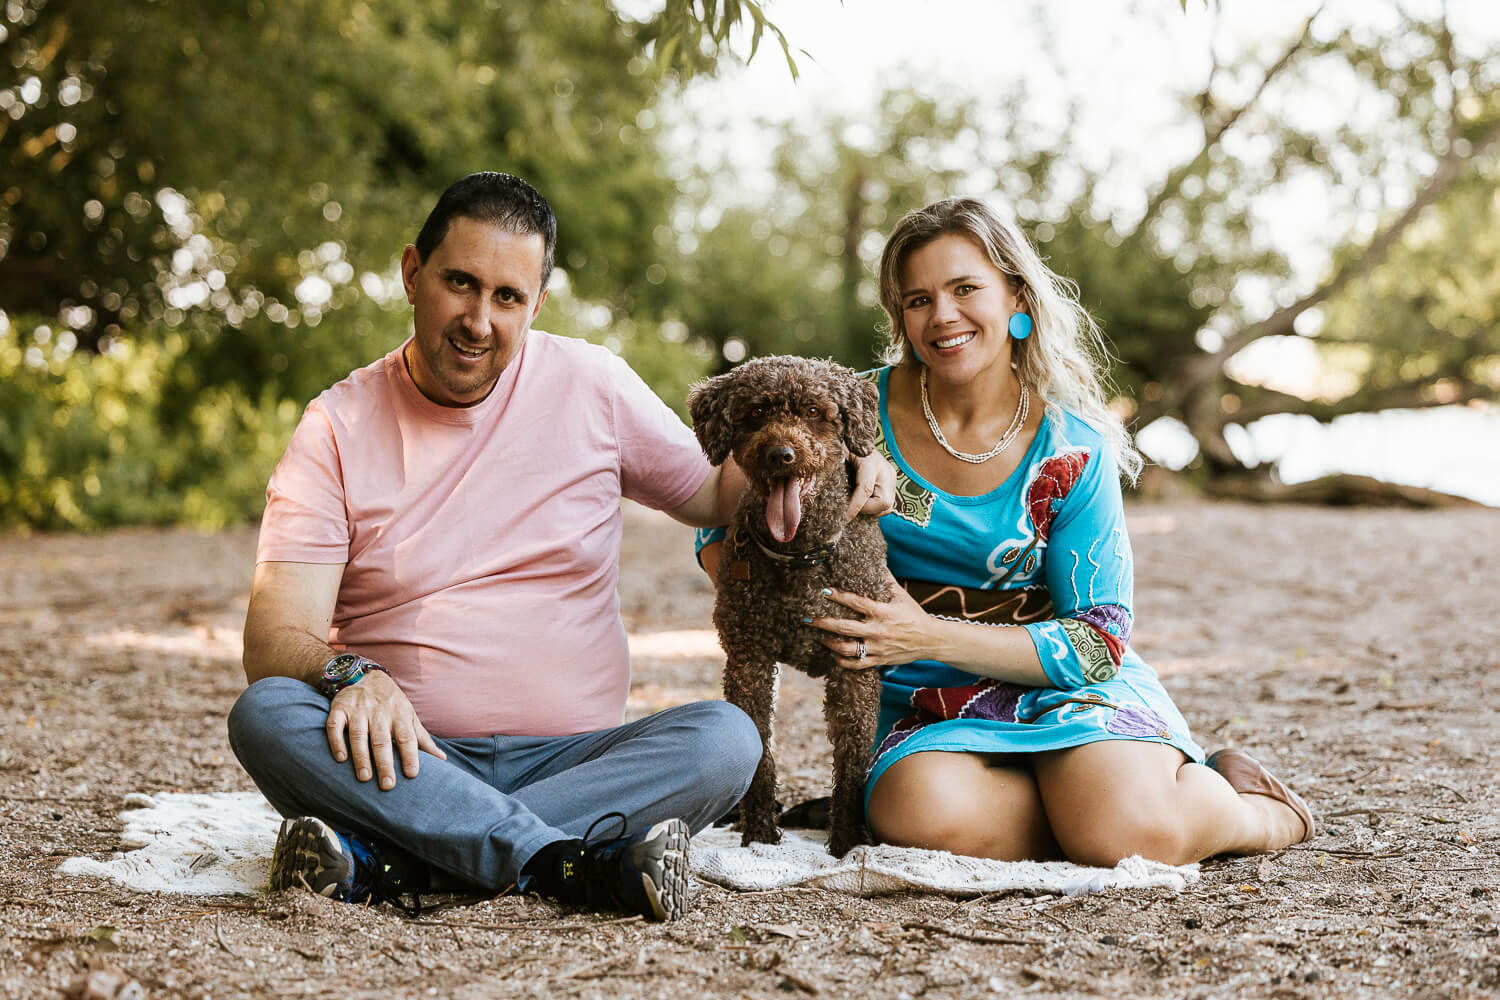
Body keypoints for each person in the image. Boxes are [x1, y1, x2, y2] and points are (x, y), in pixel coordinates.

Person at [227, 171, 894, 921]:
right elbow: (274, 636)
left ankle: (396, 855)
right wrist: (354, 673)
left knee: (726, 738)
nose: (479, 319)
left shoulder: (594, 384)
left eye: (507, 297)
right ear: (413, 274)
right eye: (460, 283)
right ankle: (557, 859)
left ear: (536, 304)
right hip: (399, 754)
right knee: (267, 712)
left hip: (579, 758)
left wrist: (850, 459)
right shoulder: (334, 428)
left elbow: (716, 493)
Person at [701, 196, 1314, 866]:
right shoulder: (841, 414)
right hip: (923, 701)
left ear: (1016, 297)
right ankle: (1084, 806)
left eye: (966, 289)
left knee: (1136, 835)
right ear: (901, 319)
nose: (942, 316)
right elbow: (725, 524)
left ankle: (1259, 812)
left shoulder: (1074, 450)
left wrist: (926, 633)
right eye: (917, 300)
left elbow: (1098, 640)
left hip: (1064, 687)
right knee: (921, 815)